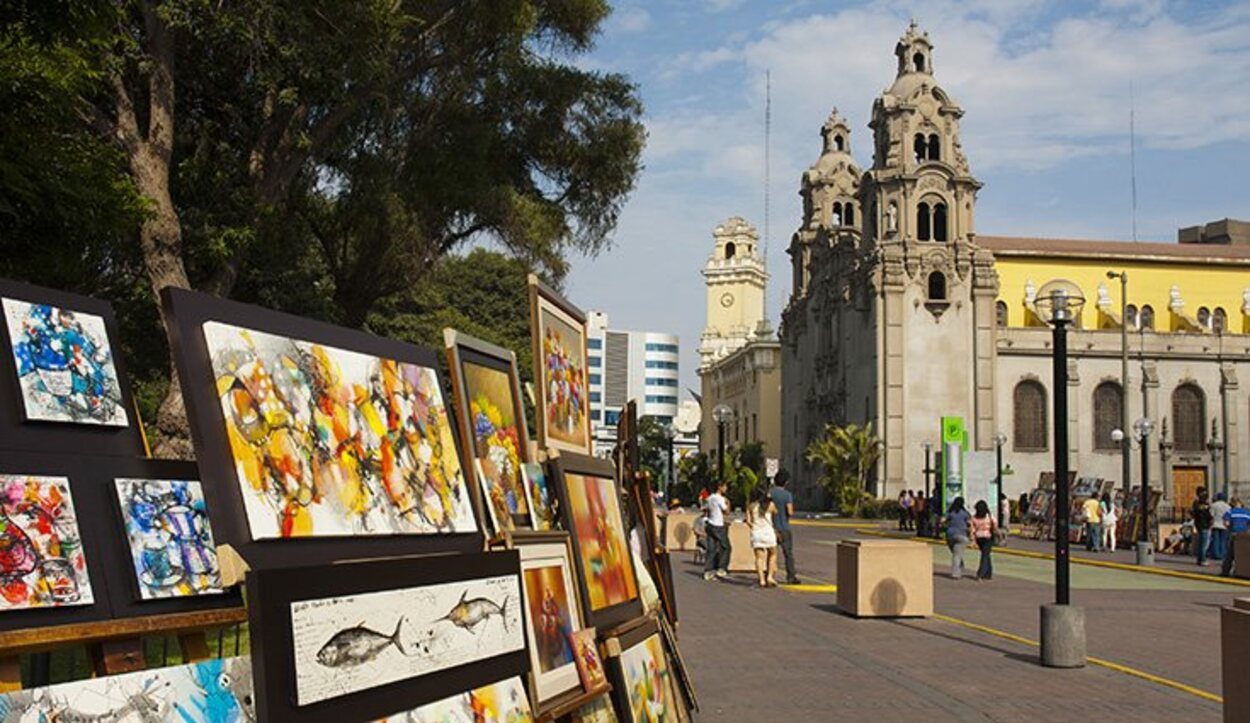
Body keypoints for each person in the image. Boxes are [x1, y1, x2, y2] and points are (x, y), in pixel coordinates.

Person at [769, 469, 799, 584]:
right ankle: (791, 576)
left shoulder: (770, 493)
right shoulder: (787, 495)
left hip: (771, 527)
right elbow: (790, 512)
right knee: (788, 553)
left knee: (771, 552)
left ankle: (769, 574)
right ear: (786, 482)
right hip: (784, 527)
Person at [747, 489, 778, 587]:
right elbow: (776, 512)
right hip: (768, 532)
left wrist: (754, 527)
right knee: (773, 554)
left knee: (759, 558)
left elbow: (748, 521)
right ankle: (769, 577)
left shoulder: (751, 506)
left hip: (757, 533)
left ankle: (761, 580)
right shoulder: (770, 505)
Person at [702, 483, 731, 580]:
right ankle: (722, 568)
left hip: (710, 524)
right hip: (718, 525)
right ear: (719, 487)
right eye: (725, 486)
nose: (726, 488)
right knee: (726, 547)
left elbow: (705, 510)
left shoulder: (710, 498)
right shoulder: (720, 499)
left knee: (711, 548)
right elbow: (726, 512)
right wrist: (728, 503)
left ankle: (708, 571)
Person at [943, 497, 972, 579]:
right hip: (962, 535)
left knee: (956, 553)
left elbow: (942, 520)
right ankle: (956, 572)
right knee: (957, 555)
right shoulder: (965, 513)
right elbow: (969, 523)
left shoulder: (950, 512)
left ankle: (959, 569)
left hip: (950, 535)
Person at [971, 500, 998, 581]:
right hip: (988, 537)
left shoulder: (974, 518)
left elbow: (972, 530)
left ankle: (988, 573)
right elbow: (995, 524)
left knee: (986, 554)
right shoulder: (989, 516)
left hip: (979, 537)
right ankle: (981, 573)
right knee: (985, 555)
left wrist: (973, 540)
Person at [1222, 498, 1249, 577]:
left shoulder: (1230, 511)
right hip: (1244, 535)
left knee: (1229, 554)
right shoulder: (1247, 512)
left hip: (1233, 534)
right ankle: (1239, 570)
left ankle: (1225, 571)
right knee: (1242, 555)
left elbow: (1226, 523)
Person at [1192, 487, 1213, 567]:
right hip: (1203, 525)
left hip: (1201, 525)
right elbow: (1205, 514)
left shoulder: (1197, 503)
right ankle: (1203, 560)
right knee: (1204, 544)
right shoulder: (1201, 504)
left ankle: (1200, 559)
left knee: (1202, 543)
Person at [1210, 492, 1231, 561]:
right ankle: (1222, 554)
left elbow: (1211, 516)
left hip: (1215, 524)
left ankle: (1216, 555)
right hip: (1224, 525)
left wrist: (1211, 524)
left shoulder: (1214, 505)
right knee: (1223, 541)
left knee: (1216, 540)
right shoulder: (1228, 506)